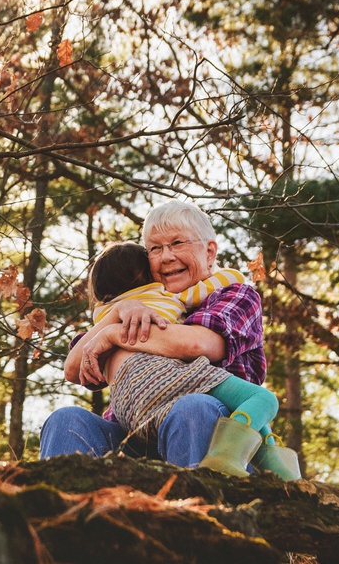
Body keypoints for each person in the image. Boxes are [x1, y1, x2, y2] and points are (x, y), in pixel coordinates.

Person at [40, 200, 299, 479]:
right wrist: (116, 313)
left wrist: (114, 335)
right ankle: (56, 517)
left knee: (193, 407)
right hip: (133, 436)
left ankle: (201, 512)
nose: (166, 256)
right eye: (155, 248)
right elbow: (74, 367)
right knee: (65, 420)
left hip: (208, 432)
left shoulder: (233, 295)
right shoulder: (138, 303)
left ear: (209, 251)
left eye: (177, 243)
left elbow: (200, 344)